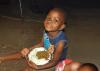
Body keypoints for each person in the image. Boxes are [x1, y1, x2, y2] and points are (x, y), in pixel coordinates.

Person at [0, 8, 80, 71]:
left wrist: (38, 67)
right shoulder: (46, 30)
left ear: (62, 26)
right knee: (23, 53)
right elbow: (42, 43)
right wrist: (28, 49)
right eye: (48, 18)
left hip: (53, 60)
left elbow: (55, 61)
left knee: (30, 68)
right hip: (45, 52)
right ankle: (2, 58)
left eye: (55, 20)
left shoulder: (61, 42)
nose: (49, 21)